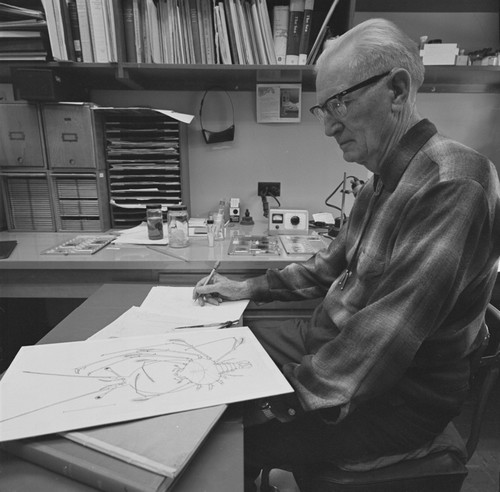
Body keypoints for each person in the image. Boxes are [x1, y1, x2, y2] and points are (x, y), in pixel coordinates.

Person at [193, 18, 500, 491]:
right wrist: (246, 289)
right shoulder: (382, 179)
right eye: (323, 108)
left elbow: (385, 337)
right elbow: (328, 267)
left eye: (340, 102)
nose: (329, 125)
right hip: (333, 342)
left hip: (399, 398)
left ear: (397, 89)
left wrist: (276, 402)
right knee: (228, 344)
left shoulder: (453, 182)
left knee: (221, 438)